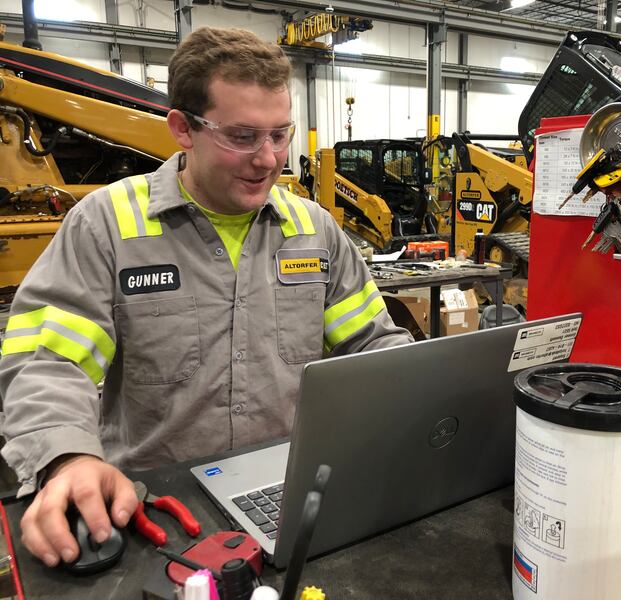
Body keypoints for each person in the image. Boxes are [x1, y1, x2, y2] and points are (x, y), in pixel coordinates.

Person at [0, 26, 413, 568]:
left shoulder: (311, 230)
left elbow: (372, 346)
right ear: (182, 129)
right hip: (154, 508)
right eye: (243, 136)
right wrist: (69, 458)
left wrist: (425, 408)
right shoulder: (108, 226)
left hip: (283, 493)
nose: (269, 160)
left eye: (280, 135)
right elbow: (48, 362)